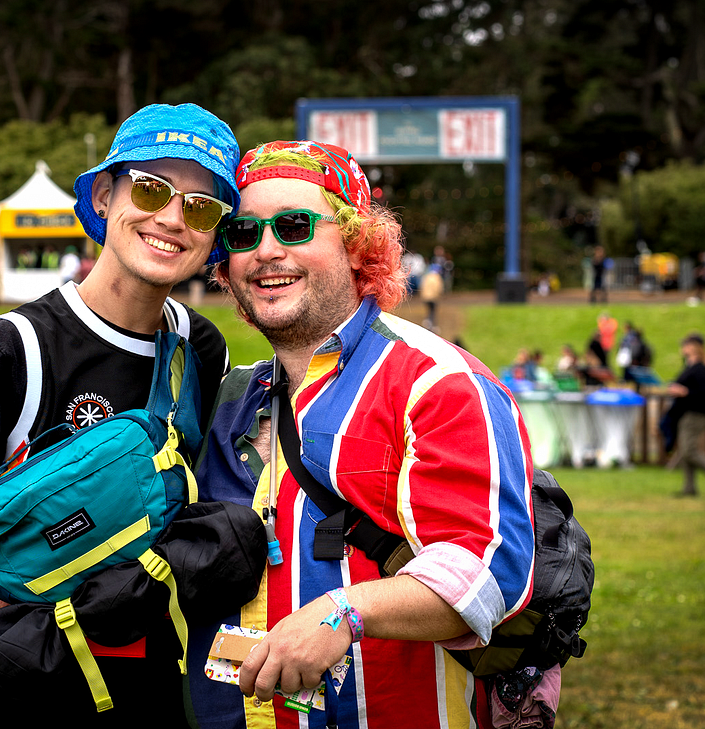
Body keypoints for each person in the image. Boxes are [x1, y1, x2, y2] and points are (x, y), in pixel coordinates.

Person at [0, 102, 238, 729]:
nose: (172, 218)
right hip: (25, 689)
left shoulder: (199, 348)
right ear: (105, 196)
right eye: (154, 188)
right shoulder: (12, 348)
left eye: (201, 205)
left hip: (157, 692)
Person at [189, 140, 536, 729]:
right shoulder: (227, 399)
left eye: (294, 226)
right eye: (243, 235)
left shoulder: (436, 381)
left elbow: (485, 569)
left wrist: (341, 614)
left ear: (356, 245)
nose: (266, 250)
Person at [667, 335, 705, 496]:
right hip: (687, 412)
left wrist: (683, 391)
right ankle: (689, 488)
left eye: (685, 345)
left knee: (689, 450)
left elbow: (702, 393)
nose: (682, 348)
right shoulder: (690, 366)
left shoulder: (701, 369)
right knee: (686, 450)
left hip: (697, 413)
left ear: (693, 347)